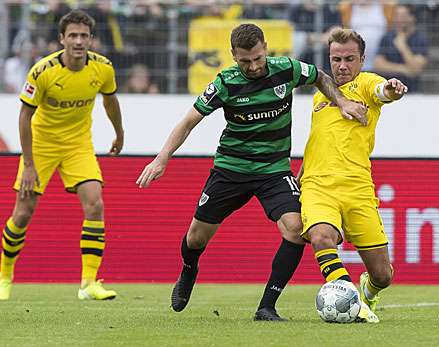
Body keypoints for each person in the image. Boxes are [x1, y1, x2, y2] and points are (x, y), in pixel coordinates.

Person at [136, 23, 366, 321]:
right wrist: (162, 158)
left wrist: (342, 100)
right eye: (246, 61)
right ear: (233, 55)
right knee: (195, 239)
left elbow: (320, 77)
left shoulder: (287, 69)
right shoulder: (225, 83)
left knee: (296, 230)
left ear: (265, 48)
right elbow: (189, 121)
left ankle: (267, 306)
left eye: (258, 58)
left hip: (274, 171)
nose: (254, 66)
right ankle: (189, 270)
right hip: (231, 168)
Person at [0, 10, 124, 301]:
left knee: (95, 205)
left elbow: (111, 100)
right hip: (41, 146)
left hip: (78, 145)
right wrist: (28, 164)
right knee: (23, 213)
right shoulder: (43, 72)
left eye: (84, 36)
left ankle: (88, 284)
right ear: (62, 39)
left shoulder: (103, 68)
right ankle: (4, 276)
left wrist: (119, 133)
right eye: (73, 35)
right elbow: (24, 117)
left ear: (91, 39)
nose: (78, 41)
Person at [298, 28, 407, 323]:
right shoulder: (320, 95)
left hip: (357, 188)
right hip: (318, 185)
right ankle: (353, 303)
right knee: (322, 237)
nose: (342, 65)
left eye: (349, 59)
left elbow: (382, 91)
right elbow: (319, 138)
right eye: (335, 59)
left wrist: (392, 90)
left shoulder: (365, 83)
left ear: (361, 60)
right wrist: (302, 173)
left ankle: (368, 292)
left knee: (383, 275)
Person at [374, 4, 428, 92]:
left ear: (412, 18)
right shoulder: (387, 37)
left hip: (411, 88)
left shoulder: (420, 39)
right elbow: (378, 64)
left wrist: (403, 47)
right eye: (397, 15)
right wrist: (404, 69)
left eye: (403, 16)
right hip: (388, 88)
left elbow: (416, 69)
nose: (399, 19)